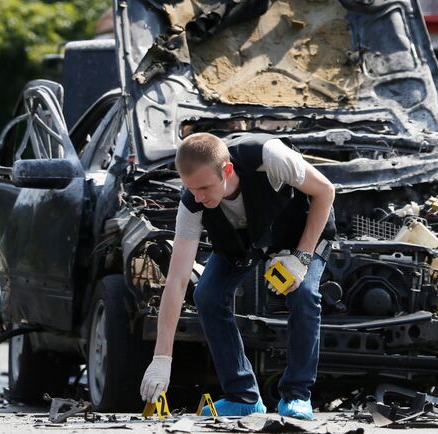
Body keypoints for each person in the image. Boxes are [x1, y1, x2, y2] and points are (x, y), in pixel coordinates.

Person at [139, 132, 335, 420]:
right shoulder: (192, 202)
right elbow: (177, 280)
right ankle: (242, 396)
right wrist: (161, 357)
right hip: (246, 240)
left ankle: (297, 395)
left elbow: (326, 192)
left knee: (304, 293)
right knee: (207, 294)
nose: (199, 197)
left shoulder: (269, 157)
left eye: (205, 187)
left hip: (301, 231)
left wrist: (302, 258)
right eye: (191, 189)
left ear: (226, 170)